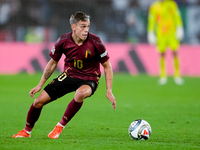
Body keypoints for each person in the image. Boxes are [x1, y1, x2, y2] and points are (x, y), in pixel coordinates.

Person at [12, 11, 116, 139]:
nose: (86, 30)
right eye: (83, 26)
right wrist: (40, 84)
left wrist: (109, 90)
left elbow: (107, 66)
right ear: (73, 27)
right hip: (69, 76)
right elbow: (52, 64)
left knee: (80, 93)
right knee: (38, 102)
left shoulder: (96, 42)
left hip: (89, 79)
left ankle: (59, 126)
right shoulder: (63, 41)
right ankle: (26, 131)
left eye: (88, 26)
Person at [147, 0, 184, 85]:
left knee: (175, 52)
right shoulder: (154, 6)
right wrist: (150, 32)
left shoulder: (171, 4)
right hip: (161, 34)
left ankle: (177, 75)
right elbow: (152, 20)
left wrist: (179, 27)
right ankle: (163, 75)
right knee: (162, 53)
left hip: (172, 33)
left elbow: (177, 16)